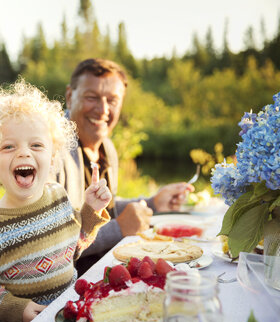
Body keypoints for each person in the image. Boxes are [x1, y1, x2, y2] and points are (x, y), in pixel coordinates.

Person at [0, 80, 112, 322]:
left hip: (66, 317)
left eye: (36, 145)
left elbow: (73, 246)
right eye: (8, 146)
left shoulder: (58, 197)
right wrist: (15, 308)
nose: (24, 153)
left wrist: (91, 209)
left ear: (53, 156)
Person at [57, 58, 194, 275]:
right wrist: (119, 228)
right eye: (92, 97)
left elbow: (102, 209)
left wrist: (154, 203)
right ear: (70, 96)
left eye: (112, 100)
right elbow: (49, 243)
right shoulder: (49, 149)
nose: (103, 110)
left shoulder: (107, 148)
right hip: (63, 289)